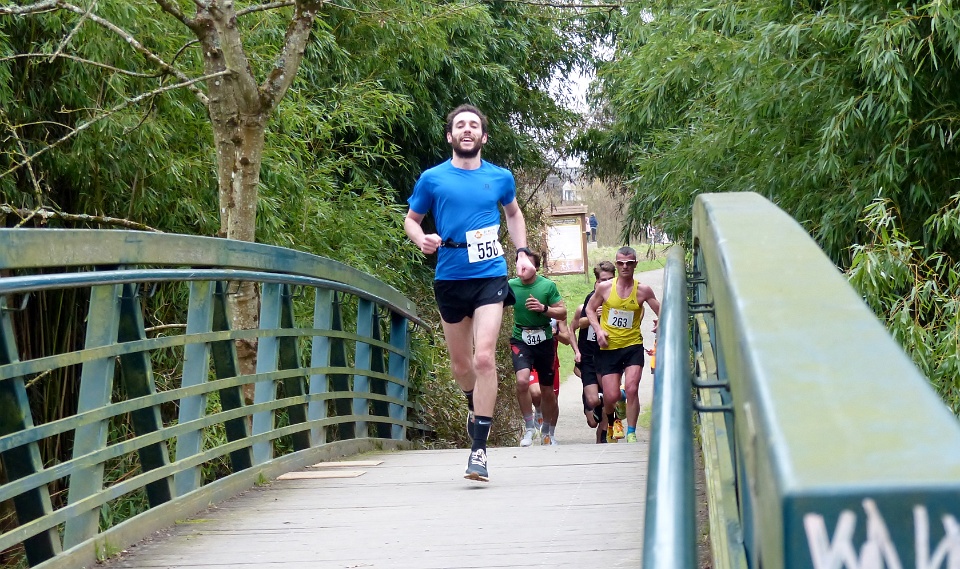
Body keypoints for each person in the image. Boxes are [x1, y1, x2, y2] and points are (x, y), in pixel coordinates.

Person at [404, 104, 536, 482]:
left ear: (483, 136)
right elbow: (411, 220)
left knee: (484, 358)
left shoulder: (500, 177)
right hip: (450, 276)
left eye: (473, 125)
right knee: (462, 367)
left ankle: (479, 450)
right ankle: (472, 403)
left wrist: (522, 252)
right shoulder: (433, 179)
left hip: (490, 274)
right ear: (450, 136)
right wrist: (421, 239)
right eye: (460, 125)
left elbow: (513, 213)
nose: (467, 129)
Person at [586, 247, 660, 443]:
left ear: (635, 264)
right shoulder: (605, 288)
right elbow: (590, 309)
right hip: (609, 347)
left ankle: (631, 433)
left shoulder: (643, 290)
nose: (625, 266)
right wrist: (599, 330)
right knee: (610, 397)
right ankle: (615, 412)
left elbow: (661, 309)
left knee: (632, 388)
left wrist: (660, 321)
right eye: (620, 263)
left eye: (629, 263)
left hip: (632, 345)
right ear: (616, 264)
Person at [508, 251, 565, 446]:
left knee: (547, 391)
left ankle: (547, 431)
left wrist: (544, 309)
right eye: (519, 263)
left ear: (536, 267)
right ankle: (529, 428)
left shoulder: (547, 286)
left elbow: (562, 313)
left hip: (544, 341)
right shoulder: (511, 285)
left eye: (527, 264)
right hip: (521, 339)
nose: (522, 267)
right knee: (522, 381)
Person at [573, 261, 619, 442]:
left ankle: (605, 438)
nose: (606, 283)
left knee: (609, 397)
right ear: (596, 281)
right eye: (602, 280)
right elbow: (580, 323)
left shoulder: (619, 298)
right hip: (589, 356)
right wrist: (595, 316)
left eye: (610, 279)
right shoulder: (591, 298)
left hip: (609, 354)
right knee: (593, 408)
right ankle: (600, 403)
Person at [527, 317, 570, 433]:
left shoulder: (558, 313)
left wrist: (556, 333)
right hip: (532, 359)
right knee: (536, 392)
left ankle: (550, 434)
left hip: (551, 362)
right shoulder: (529, 310)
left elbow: (567, 340)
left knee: (553, 400)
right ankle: (539, 410)